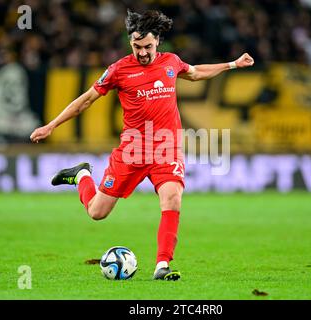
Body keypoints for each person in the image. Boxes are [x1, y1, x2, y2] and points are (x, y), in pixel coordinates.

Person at [30, 9, 254, 280]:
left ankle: (162, 265)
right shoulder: (118, 69)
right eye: (137, 47)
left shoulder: (171, 62)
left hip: (166, 149)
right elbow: (86, 100)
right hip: (132, 150)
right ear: (130, 43)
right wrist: (52, 125)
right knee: (97, 212)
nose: (143, 52)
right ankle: (82, 175)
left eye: (147, 46)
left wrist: (232, 64)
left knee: (172, 198)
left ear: (157, 41)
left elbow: (196, 73)